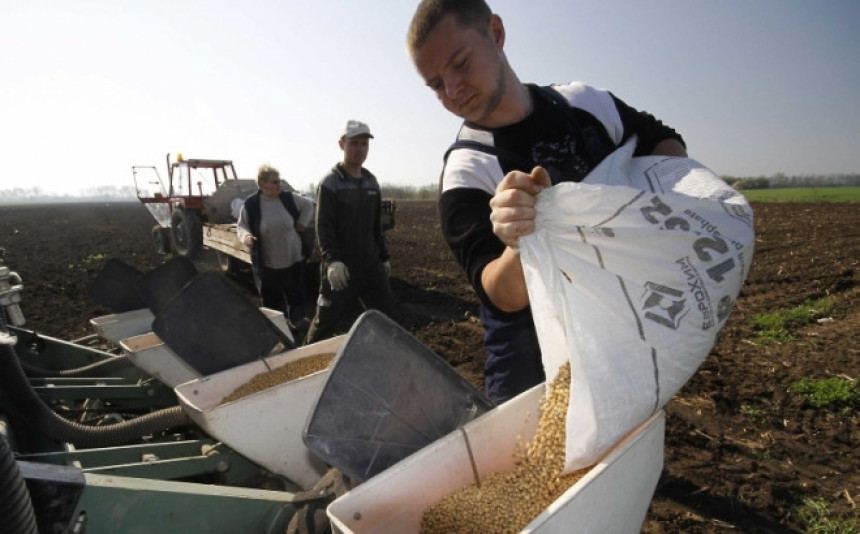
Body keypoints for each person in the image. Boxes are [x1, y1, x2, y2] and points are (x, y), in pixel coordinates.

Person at [407, 0, 688, 403]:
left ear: (496, 33)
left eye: (460, 63)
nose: (452, 90)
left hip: (623, 344)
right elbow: (499, 294)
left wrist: (667, 208)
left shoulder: (585, 103)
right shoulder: (466, 172)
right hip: (530, 370)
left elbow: (661, 139)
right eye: (435, 84)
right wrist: (517, 241)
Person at [303, 120, 395, 345]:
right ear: (341, 145)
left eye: (364, 144)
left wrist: (383, 257)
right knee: (326, 320)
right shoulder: (331, 183)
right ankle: (304, 364)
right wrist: (333, 261)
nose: (360, 149)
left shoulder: (371, 182)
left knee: (386, 318)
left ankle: (380, 360)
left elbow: (376, 226)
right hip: (341, 268)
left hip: (370, 264)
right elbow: (323, 226)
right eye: (354, 143)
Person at [237, 165, 315, 333]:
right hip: (268, 261)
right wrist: (247, 237)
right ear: (262, 184)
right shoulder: (251, 205)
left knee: (296, 294)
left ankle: (298, 324)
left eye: (279, 181)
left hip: (293, 257)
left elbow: (309, 206)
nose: (279, 185)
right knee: (271, 298)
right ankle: (277, 330)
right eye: (275, 182)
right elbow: (241, 226)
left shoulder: (289, 198)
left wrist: (302, 222)